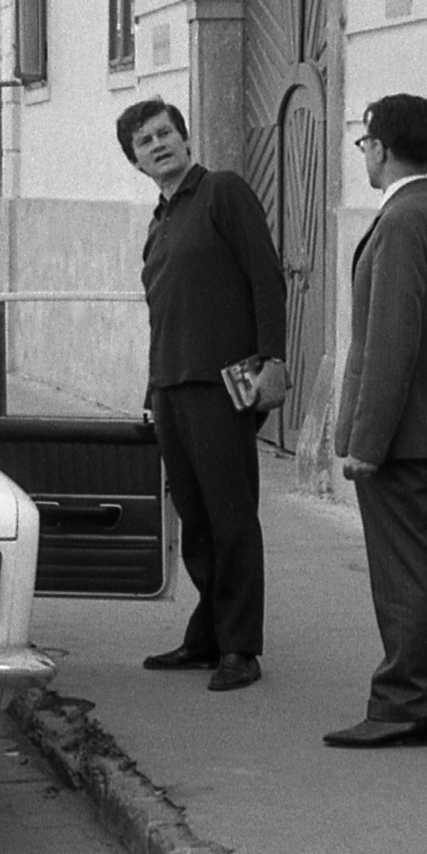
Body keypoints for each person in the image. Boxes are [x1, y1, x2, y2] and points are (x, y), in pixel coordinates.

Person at [116, 97, 287, 693]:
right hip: (171, 386)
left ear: (186, 139)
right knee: (195, 519)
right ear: (136, 162)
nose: (158, 145)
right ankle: (207, 634)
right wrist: (150, 386)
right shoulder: (160, 221)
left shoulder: (223, 193)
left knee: (231, 516)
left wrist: (275, 361)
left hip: (223, 386)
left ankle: (241, 648)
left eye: (165, 133)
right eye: (145, 142)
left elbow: (266, 276)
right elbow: (165, 310)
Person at [325, 94, 427, 748]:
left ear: (381, 148)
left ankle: (400, 703)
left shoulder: (400, 222)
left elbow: (389, 341)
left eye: (364, 143)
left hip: (399, 434)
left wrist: (366, 442)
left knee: (403, 575)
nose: (364, 153)